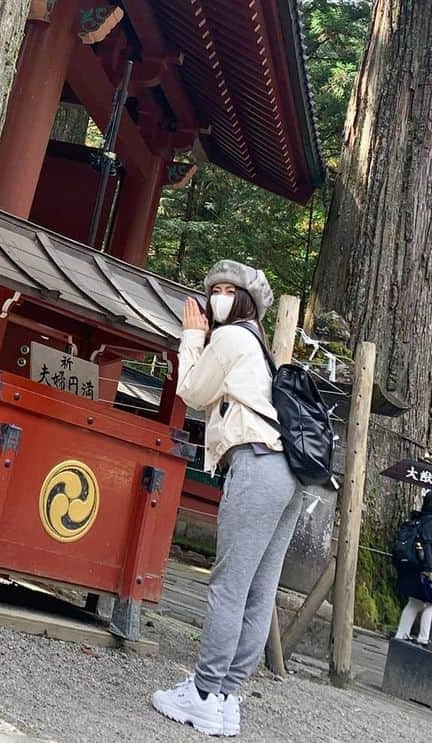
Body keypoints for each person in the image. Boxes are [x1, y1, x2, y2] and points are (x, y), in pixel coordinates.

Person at [151, 260, 302, 738]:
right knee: (259, 590)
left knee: (231, 586)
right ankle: (226, 696)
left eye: (227, 291)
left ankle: (202, 692)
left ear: (245, 301)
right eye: (212, 288)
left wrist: (192, 336)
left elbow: (193, 391)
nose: (216, 297)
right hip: (289, 473)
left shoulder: (233, 337)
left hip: (257, 464)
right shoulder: (259, 346)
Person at [393, 491, 432, 646]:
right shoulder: (430, 523)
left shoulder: (419, 519)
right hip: (425, 568)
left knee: (415, 602)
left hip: (413, 567)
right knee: (430, 604)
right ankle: (423, 639)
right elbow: (429, 546)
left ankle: (401, 634)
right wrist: (430, 569)